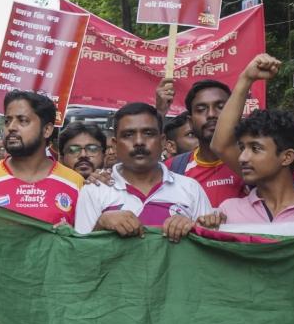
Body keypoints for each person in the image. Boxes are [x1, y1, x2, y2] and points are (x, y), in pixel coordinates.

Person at [200, 55, 294, 226]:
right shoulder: (228, 213)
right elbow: (221, 145)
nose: (242, 158)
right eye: (242, 148)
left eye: (256, 148)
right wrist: (245, 79)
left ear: (287, 157)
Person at [75, 102, 210, 238]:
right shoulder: (95, 190)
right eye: (128, 135)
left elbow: (208, 249)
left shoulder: (190, 188)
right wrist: (101, 225)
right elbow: (82, 254)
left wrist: (192, 229)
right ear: (115, 145)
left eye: (148, 133)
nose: (139, 141)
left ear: (162, 141)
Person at [0, 90, 84, 225]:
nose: (11, 127)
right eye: (7, 121)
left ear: (47, 130)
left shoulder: (75, 183)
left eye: (22, 120)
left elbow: (85, 240)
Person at [166, 79, 244, 207]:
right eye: (201, 109)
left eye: (220, 107)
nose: (211, 114)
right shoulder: (172, 169)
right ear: (190, 122)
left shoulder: (253, 162)